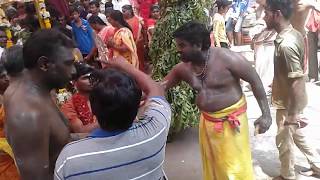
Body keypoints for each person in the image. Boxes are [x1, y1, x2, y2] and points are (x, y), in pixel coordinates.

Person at [162, 21, 272, 180]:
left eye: (182, 45)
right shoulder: (183, 69)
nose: (178, 50)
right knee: (213, 165)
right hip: (207, 123)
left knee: (234, 170)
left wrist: (266, 115)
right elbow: (160, 86)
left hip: (232, 124)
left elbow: (255, 81)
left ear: (198, 45)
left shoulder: (229, 59)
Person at [54, 57, 171, 180]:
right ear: (138, 105)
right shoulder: (156, 129)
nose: (89, 81)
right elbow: (156, 89)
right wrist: (126, 66)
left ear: (93, 109)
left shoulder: (70, 158)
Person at [4, 29, 76, 180]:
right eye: (68, 64)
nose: (74, 71)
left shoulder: (38, 89)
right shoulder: (29, 115)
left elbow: (57, 140)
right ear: (44, 64)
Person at [263, 0, 320, 179]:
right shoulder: (293, 33)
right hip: (292, 98)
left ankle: (287, 176)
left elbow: (295, 80)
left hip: (289, 102)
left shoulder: (286, 44)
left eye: (266, 13)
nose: (264, 17)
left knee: (283, 140)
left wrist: (293, 113)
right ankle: (318, 166)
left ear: (276, 14)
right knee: (297, 135)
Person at [61, 62, 99, 133]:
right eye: (86, 78)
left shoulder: (103, 96)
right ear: (74, 82)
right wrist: (107, 121)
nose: (91, 80)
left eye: (93, 76)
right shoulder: (69, 106)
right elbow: (80, 130)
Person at [290, 0, 320, 80]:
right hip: (290, 36)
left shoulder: (306, 3)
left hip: (301, 36)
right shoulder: (289, 3)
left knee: (301, 62)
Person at [0, 64, 19, 180]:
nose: (7, 78)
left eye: (7, 75)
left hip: (17, 144)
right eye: (2, 76)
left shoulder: (14, 95)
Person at [122, 5, 147, 71]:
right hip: (128, 44)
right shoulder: (123, 21)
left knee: (140, 60)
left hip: (138, 43)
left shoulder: (138, 20)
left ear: (130, 11)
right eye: (122, 11)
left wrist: (145, 42)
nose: (123, 13)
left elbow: (144, 31)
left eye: (124, 11)